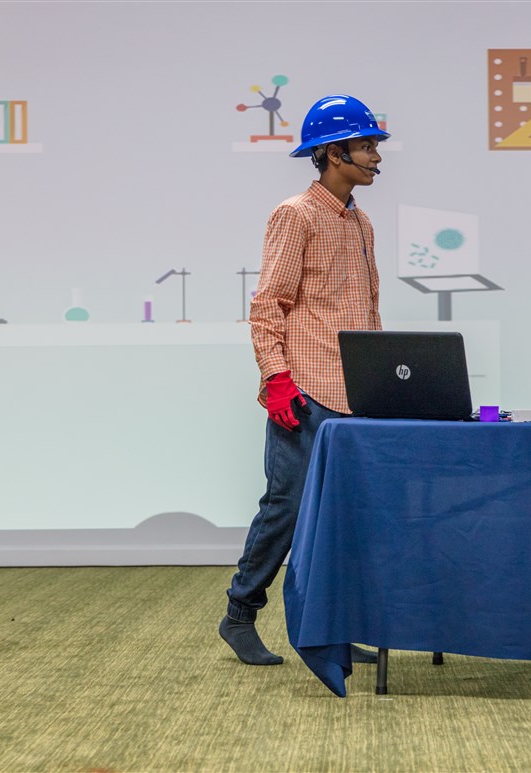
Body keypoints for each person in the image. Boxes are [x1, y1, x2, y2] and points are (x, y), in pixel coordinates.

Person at [219, 95, 387, 667]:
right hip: (308, 391)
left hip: (356, 395)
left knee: (342, 516)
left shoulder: (361, 222)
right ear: (333, 153)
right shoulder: (295, 215)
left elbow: (366, 310)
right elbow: (268, 305)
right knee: (286, 507)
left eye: (375, 145)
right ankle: (239, 614)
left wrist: (380, 381)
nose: (376, 156)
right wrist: (277, 379)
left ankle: (332, 630)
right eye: (366, 145)